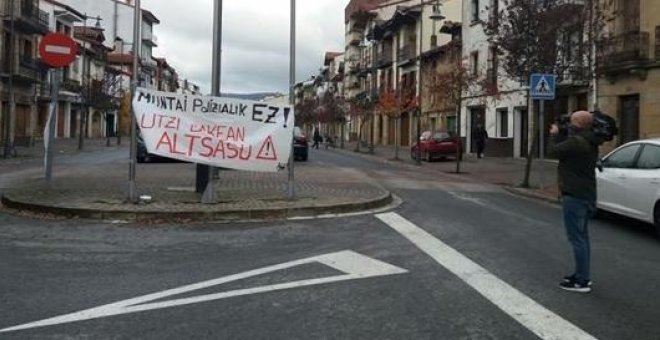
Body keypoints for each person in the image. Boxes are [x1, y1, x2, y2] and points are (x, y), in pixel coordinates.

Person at [548, 110, 601, 293]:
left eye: (571, 121)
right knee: (582, 237)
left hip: (574, 195)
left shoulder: (576, 142)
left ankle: (581, 281)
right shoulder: (589, 140)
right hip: (586, 194)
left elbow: (552, 151)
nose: (568, 124)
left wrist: (554, 135)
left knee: (577, 238)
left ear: (577, 124)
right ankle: (581, 274)